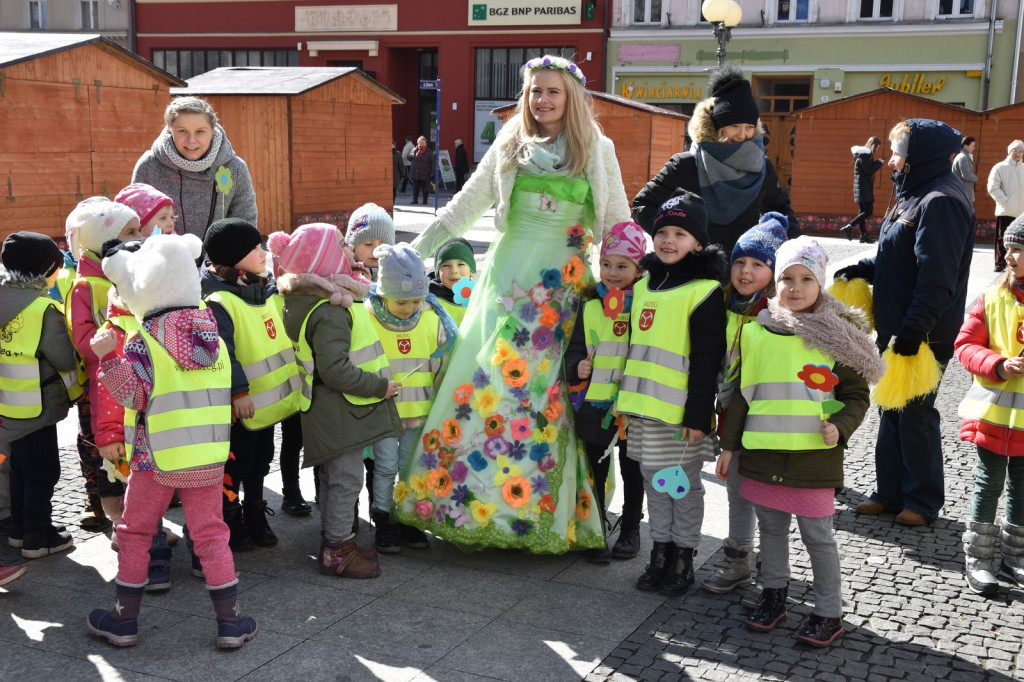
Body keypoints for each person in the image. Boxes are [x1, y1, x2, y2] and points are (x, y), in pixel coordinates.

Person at [398, 54, 631, 551]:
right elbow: (464, 206)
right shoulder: (510, 143)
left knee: (551, 392)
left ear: (572, 99)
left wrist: (630, 282)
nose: (541, 100)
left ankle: (544, 511)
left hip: (561, 289)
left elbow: (616, 221)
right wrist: (410, 255)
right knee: (491, 382)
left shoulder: (597, 147)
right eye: (534, 91)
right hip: (507, 282)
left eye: (552, 92)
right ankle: (473, 503)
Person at [87, 233, 257, 649]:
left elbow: (133, 395)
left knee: (135, 533)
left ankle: (123, 620)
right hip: (207, 456)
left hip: (155, 458)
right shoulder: (211, 337)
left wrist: (108, 356)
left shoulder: (144, 340)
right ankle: (230, 622)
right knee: (211, 535)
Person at [718, 236, 884, 648]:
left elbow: (855, 396)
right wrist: (727, 446)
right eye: (787, 278)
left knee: (818, 537)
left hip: (813, 461)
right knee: (771, 531)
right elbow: (741, 394)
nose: (794, 288)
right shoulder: (757, 332)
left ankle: (828, 611)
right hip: (761, 456)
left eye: (805, 279)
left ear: (821, 283)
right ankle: (773, 594)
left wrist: (841, 427)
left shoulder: (837, 337)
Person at [836, 119, 975, 526]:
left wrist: (915, 331)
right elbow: (895, 256)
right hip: (895, 326)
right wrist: (861, 269)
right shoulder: (910, 193)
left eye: (898, 151)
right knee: (891, 409)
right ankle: (890, 492)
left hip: (923, 332)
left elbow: (938, 279)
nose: (891, 159)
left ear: (919, 157)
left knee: (915, 413)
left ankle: (923, 500)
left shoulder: (941, 201)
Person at [270, 223, 398, 578]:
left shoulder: (302, 299)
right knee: (345, 480)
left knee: (332, 478)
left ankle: (334, 538)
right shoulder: (329, 309)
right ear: (324, 257)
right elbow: (336, 369)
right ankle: (338, 550)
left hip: (322, 407)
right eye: (341, 244)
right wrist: (378, 387)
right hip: (339, 408)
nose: (348, 249)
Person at [617, 193, 726, 595]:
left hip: (680, 415)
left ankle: (683, 558)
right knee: (653, 485)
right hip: (643, 409)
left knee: (682, 487)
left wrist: (699, 415)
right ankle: (659, 553)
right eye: (662, 232)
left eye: (680, 233)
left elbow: (707, 359)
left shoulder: (704, 290)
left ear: (697, 243)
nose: (668, 240)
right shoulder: (645, 284)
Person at [201, 218, 302, 551]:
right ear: (232, 257)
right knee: (236, 463)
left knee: (261, 460)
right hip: (242, 405)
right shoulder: (219, 301)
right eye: (254, 248)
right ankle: (231, 517)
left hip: (268, 404)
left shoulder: (263, 288)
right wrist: (238, 391)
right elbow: (223, 352)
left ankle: (256, 511)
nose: (263, 253)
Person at [702, 212, 789, 594]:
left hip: (766, 415)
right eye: (739, 261)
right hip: (728, 414)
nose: (745, 271)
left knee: (767, 493)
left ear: (774, 271)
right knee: (735, 487)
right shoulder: (721, 303)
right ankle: (737, 561)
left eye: (758, 264)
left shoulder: (778, 315)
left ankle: (772, 565)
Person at [632, 65, 798, 254]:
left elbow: (781, 210)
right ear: (716, 127)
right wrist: (673, 240)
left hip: (743, 273)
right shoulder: (685, 164)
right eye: (734, 125)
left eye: (749, 126)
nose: (742, 135)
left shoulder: (762, 166)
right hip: (692, 271)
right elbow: (642, 205)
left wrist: (790, 250)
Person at [565, 221, 648, 563]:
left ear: (638, 268)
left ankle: (630, 529)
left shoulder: (646, 305)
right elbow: (574, 348)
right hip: (595, 404)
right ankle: (595, 530)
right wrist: (577, 368)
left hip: (630, 405)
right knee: (595, 469)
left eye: (622, 266)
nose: (612, 273)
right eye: (606, 264)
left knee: (633, 469)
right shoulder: (589, 304)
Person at [366, 243, 457, 553]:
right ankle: (384, 518)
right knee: (385, 466)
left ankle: (407, 517)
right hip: (381, 412)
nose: (409, 308)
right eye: (401, 301)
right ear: (383, 294)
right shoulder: (368, 317)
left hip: (419, 411)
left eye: (416, 300)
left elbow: (443, 364)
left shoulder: (434, 317)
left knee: (411, 466)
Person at [65, 198, 144, 548]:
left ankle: (141, 521)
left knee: (137, 450)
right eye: (130, 232)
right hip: (104, 381)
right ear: (104, 241)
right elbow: (82, 339)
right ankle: (119, 523)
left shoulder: (133, 272)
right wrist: (110, 340)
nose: (139, 236)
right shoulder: (86, 286)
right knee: (112, 454)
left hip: (137, 377)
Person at [954, 216, 1024, 595]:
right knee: (988, 483)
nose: (1008, 255)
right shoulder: (992, 296)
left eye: (1017, 249)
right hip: (994, 412)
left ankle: (1016, 557)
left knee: (1023, 488)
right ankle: (978, 558)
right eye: (1008, 247)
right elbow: (965, 346)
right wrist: (998, 364)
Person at [0, 232, 81, 558]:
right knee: (43, 472)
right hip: (38, 408)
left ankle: (19, 529)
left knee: (19, 468)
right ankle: (38, 535)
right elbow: (63, 359)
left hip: (8, 406)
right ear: (45, 270)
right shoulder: (43, 309)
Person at [132, 96, 257, 239]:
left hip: (219, 261)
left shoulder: (235, 168)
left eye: (200, 131)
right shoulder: (149, 165)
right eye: (182, 131)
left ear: (212, 130)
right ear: (170, 129)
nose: (191, 140)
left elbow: (245, 224)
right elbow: (134, 224)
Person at [987, 140, 1024, 272]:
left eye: (1021, 151)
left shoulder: (1023, 168)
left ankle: (1017, 265)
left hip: (1021, 214)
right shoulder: (1000, 167)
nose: (1018, 154)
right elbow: (992, 187)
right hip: (1006, 210)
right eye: (1015, 151)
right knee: (1002, 238)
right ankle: (1000, 264)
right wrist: (1004, 201)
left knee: (1019, 240)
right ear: (1009, 152)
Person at [840, 137, 882, 243]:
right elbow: (868, 171)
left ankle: (863, 235)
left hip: (861, 188)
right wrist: (879, 163)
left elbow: (866, 170)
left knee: (862, 212)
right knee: (868, 211)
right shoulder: (864, 156)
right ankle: (848, 227)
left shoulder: (862, 156)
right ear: (873, 145)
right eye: (876, 147)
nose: (876, 150)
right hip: (864, 189)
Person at [428, 237, 477, 326]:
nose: (454, 270)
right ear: (438, 274)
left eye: (461, 264)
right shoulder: (431, 300)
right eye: (446, 265)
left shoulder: (479, 296)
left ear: (471, 271)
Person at [346, 202, 396, 278]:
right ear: (352, 247)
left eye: (383, 245)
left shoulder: (399, 276)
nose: (376, 250)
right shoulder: (342, 276)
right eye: (368, 244)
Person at [410, 136, 434, 206]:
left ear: (426, 143)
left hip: (425, 173)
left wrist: (432, 172)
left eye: (423, 143)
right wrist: (411, 155)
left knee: (425, 188)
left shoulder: (429, 152)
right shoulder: (415, 150)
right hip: (415, 173)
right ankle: (415, 200)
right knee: (415, 188)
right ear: (417, 143)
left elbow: (432, 163)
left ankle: (425, 200)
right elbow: (408, 158)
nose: (422, 144)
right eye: (420, 143)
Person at [952, 136, 977, 203]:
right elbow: (966, 175)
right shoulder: (963, 157)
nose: (974, 148)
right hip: (963, 193)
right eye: (972, 146)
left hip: (962, 192)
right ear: (965, 146)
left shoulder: (963, 156)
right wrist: (976, 178)